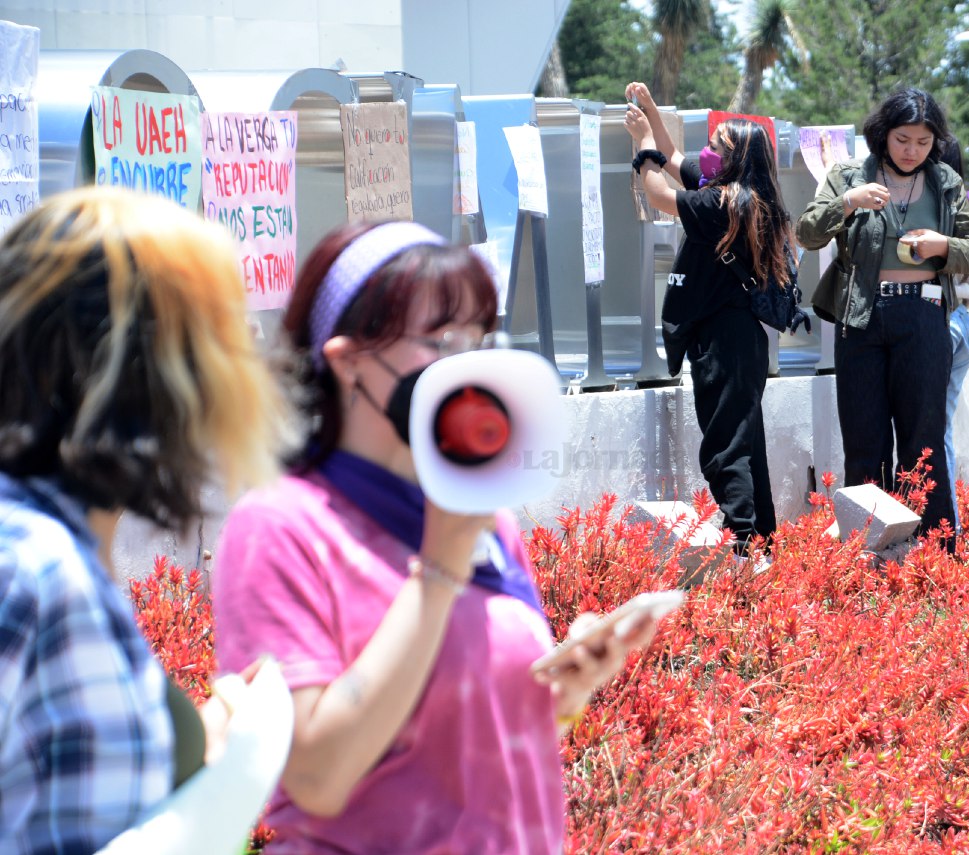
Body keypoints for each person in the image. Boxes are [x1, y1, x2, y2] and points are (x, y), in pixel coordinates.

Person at [212, 221, 653, 853]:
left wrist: (568, 684)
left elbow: (470, 731)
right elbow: (316, 777)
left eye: (477, 336)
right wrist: (439, 568)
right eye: (439, 339)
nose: (466, 361)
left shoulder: (476, 507)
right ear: (347, 361)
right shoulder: (281, 527)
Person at [0, 187, 291, 853]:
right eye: (223, 339)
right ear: (154, 373)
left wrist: (207, 769)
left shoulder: (61, 548)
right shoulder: (25, 559)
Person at [795, 88, 969, 541]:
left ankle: (937, 550)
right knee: (864, 439)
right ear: (883, 134)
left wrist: (942, 246)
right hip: (861, 316)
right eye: (903, 140)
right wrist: (849, 202)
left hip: (923, 316)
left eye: (923, 142)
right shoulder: (849, 175)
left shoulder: (945, 181)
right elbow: (806, 233)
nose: (911, 151)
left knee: (924, 441)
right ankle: (868, 551)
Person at [623, 81, 789, 552]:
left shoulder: (724, 204)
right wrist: (653, 111)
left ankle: (739, 540)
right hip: (742, 339)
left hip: (723, 339)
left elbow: (658, 190)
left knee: (725, 445)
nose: (707, 152)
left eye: (717, 148)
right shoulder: (743, 197)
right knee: (745, 440)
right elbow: (675, 158)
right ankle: (760, 540)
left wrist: (640, 145)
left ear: (737, 159)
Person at [937, 137, 969, 523]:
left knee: (934, 432)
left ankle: (945, 528)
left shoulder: (939, 207)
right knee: (939, 429)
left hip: (944, 319)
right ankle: (946, 525)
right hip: (964, 321)